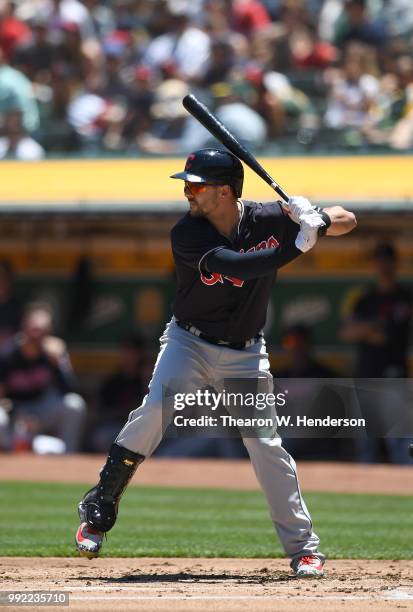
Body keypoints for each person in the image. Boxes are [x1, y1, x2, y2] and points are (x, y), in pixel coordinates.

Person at [75, 148, 356, 577]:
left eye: (197, 185)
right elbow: (241, 268)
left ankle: (304, 548)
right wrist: (299, 244)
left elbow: (348, 219)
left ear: (225, 191)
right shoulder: (187, 233)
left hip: (245, 351)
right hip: (189, 341)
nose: (188, 191)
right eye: (187, 184)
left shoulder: (268, 217)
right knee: (154, 411)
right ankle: (100, 503)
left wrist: (317, 218)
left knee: (265, 444)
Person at [340, 242, 412, 463]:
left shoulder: (405, 297)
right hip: (365, 377)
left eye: (386, 260)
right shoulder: (365, 299)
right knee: (365, 445)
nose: (382, 266)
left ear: (394, 263)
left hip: (394, 377)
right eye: (378, 261)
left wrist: (369, 329)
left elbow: (389, 335)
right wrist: (374, 326)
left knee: (399, 443)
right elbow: (347, 332)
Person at [0, 302, 87, 452]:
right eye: (33, 330)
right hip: (16, 411)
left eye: (41, 331)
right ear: (24, 329)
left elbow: (69, 389)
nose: (36, 336)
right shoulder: (8, 353)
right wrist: (17, 413)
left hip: (42, 409)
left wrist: (59, 363)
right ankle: (8, 460)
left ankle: (69, 457)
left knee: (74, 405)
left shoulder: (52, 353)